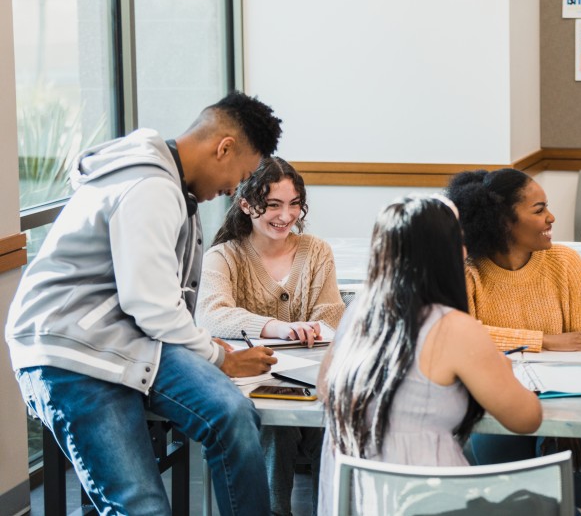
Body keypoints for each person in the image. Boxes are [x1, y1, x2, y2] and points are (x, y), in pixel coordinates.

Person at [6, 91, 283, 515]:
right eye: (240, 175)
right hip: (71, 350)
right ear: (223, 147)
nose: (233, 190)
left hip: (128, 339)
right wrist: (217, 357)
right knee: (142, 508)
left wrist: (207, 349)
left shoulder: (170, 185)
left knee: (233, 415)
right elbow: (150, 303)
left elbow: (153, 305)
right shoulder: (150, 185)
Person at [316, 195, 543, 515]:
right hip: (432, 499)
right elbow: (526, 418)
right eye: (460, 241)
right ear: (448, 253)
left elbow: (324, 389)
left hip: (362, 500)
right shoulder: (454, 328)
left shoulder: (357, 312)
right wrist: (502, 369)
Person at [445, 167, 581, 511]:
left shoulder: (565, 262)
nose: (552, 217)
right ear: (502, 221)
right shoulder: (468, 269)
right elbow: (460, 339)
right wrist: (546, 341)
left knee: (559, 451)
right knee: (512, 489)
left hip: (565, 406)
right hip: (493, 408)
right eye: (538, 210)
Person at [197, 156, 345, 516]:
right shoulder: (224, 256)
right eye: (273, 204)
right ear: (246, 205)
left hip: (311, 381)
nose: (286, 215)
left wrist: (314, 330)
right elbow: (212, 314)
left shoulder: (316, 251)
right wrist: (278, 328)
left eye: (294, 204)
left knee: (336, 427)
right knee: (274, 430)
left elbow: (331, 314)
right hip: (255, 386)